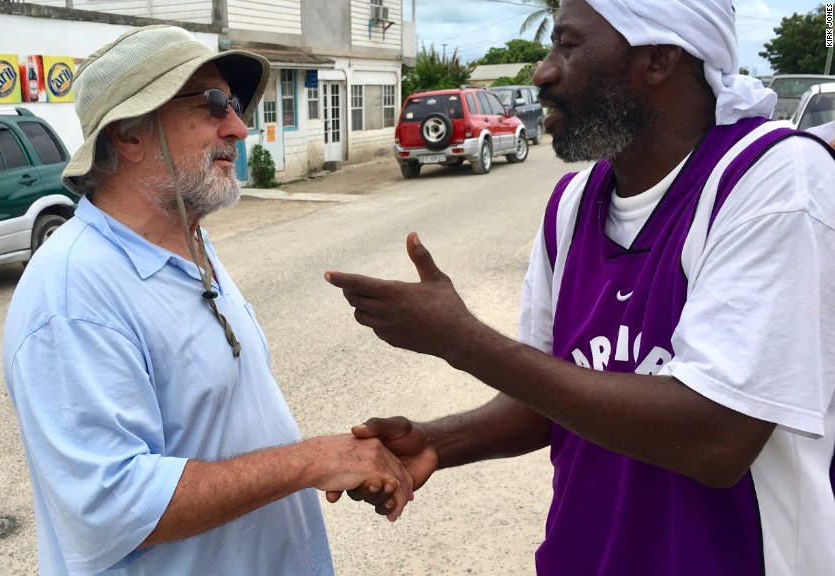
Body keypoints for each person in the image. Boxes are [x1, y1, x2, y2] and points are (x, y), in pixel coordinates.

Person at [325, 0, 835, 574]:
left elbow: (718, 438)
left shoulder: (773, 183)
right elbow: (548, 397)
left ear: (658, 58)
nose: (542, 71)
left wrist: (462, 342)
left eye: (567, 44)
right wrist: (440, 443)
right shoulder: (573, 205)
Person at [2, 25, 412, 576]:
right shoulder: (75, 289)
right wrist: (311, 461)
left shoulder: (188, 240)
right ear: (128, 134)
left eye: (235, 104)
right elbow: (108, 506)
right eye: (214, 104)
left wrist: (348, 460)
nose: (240, 128)